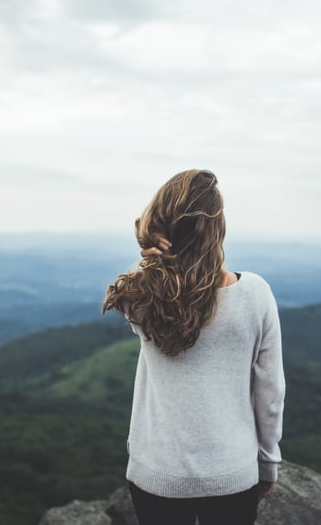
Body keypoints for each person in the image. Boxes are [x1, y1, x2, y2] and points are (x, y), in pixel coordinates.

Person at [102, 169, 285, 525]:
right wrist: (268, 464)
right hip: (233, 473)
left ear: (161, 228)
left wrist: (146, 245)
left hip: (156, 474)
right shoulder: (255, 295)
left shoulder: (142, 297)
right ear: (218, 228)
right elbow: (271, 393)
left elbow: (147, 278)